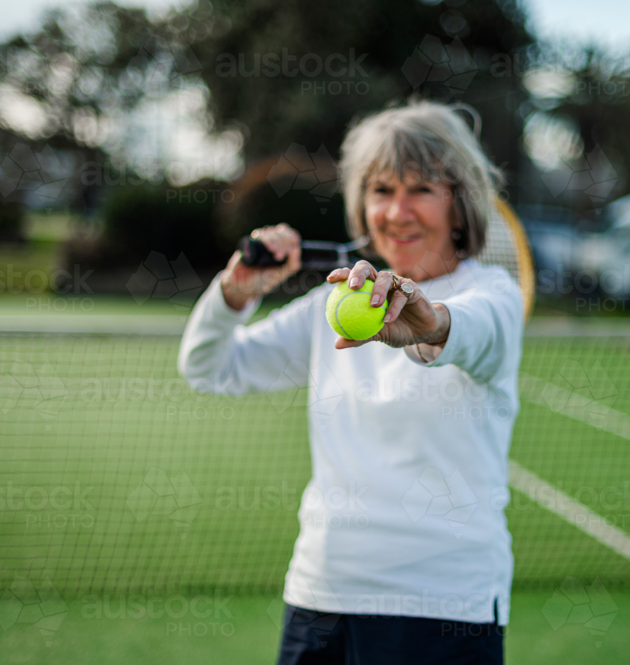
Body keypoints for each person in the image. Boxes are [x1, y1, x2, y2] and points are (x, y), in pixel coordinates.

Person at [178, 100, 523, 664]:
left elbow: (463, 328)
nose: (398, 211)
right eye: (382, 190)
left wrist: (428, 321)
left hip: (445, 608)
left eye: (421, 190)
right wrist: (236, 292)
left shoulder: (494, 297)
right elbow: (209, 368)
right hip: (322, 598)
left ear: (460, 205)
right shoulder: (328, 309)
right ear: (362, 206)